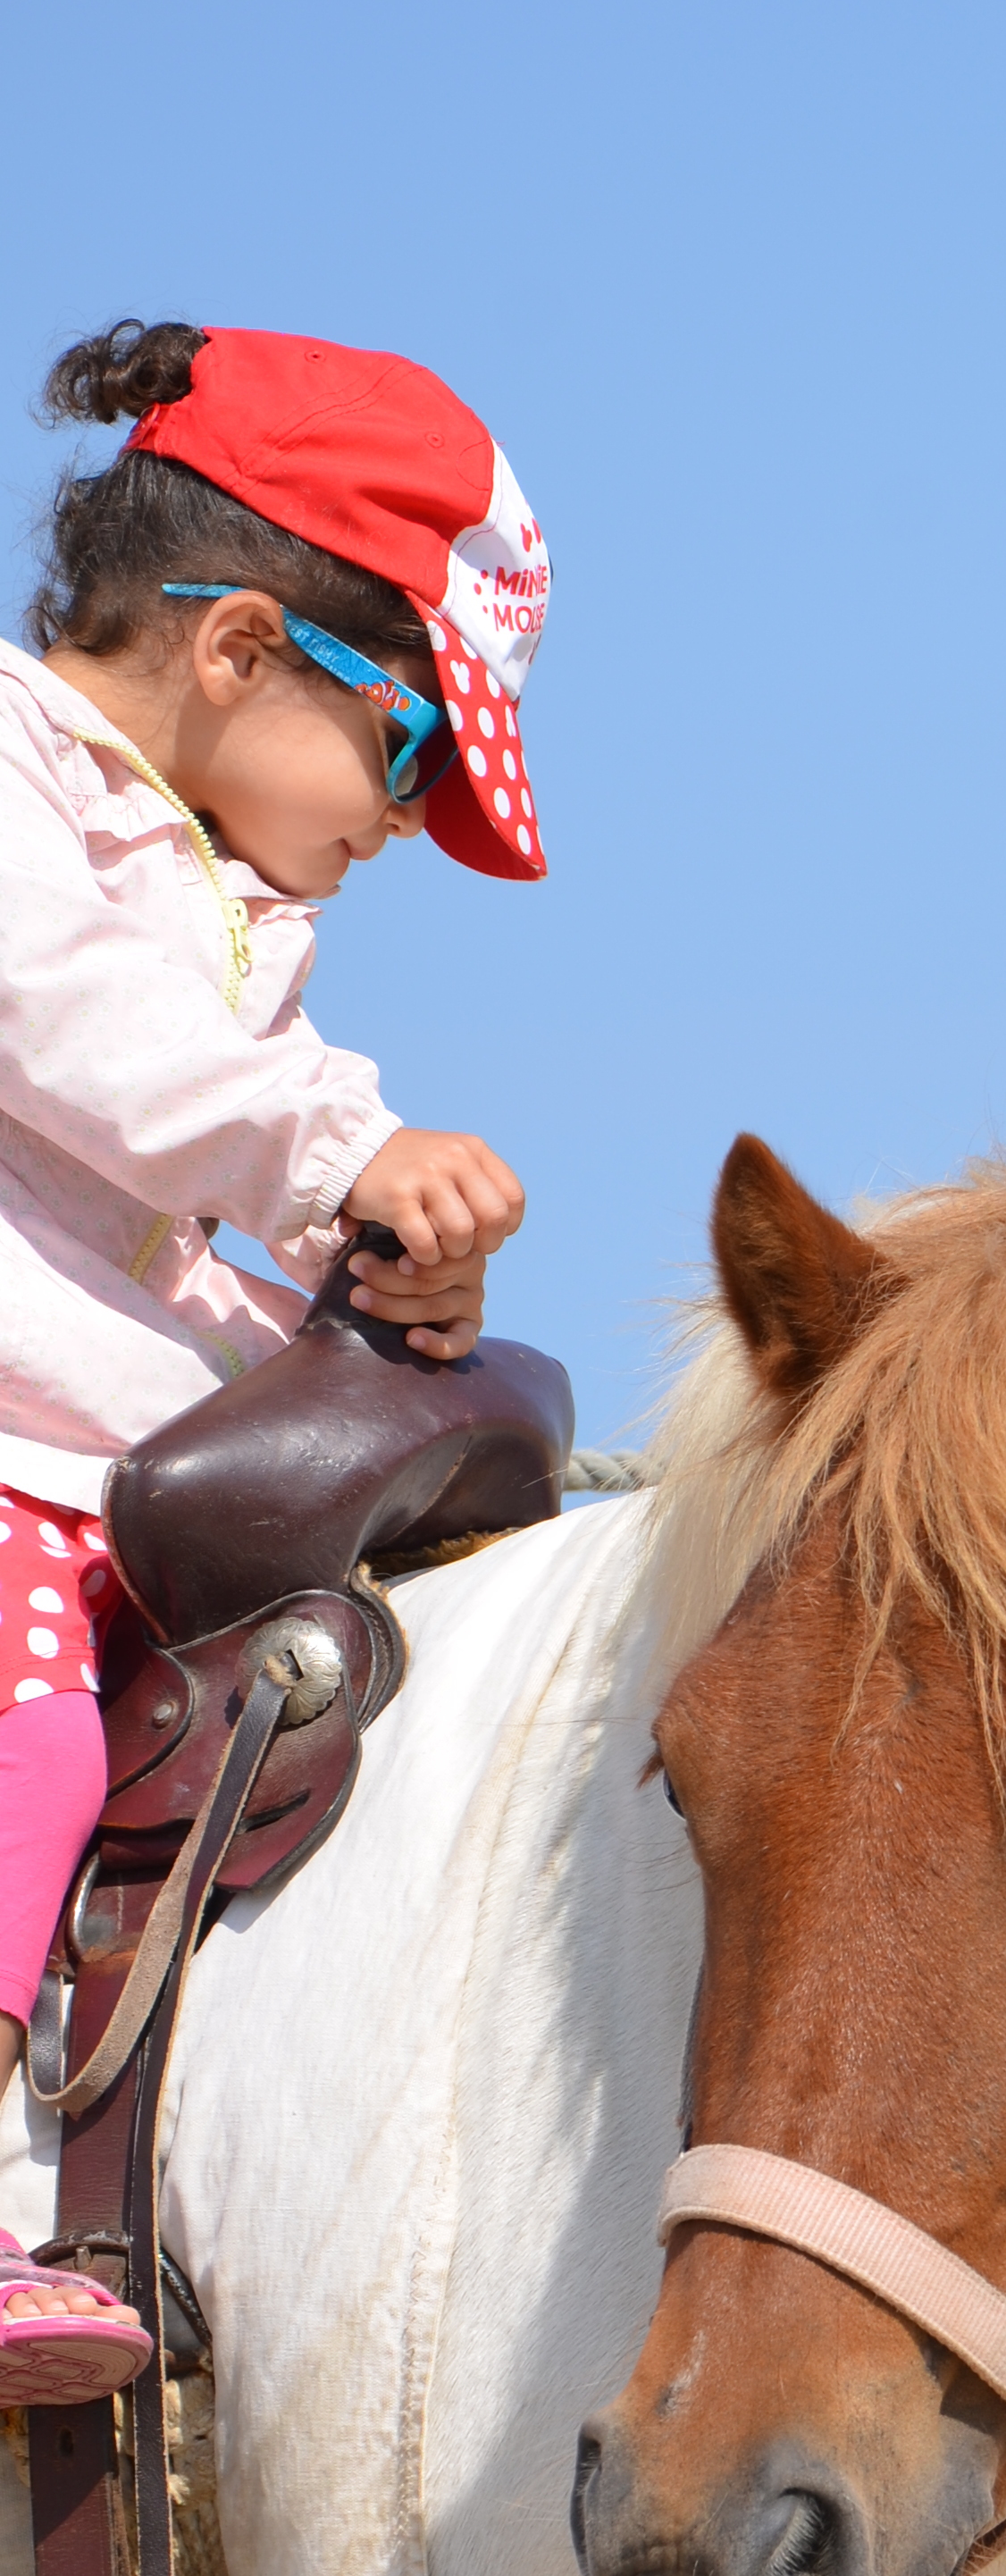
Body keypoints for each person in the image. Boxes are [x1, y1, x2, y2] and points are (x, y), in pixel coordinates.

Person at [0, 319, 551, 2403]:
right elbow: (81, 1044)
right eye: (410, 749)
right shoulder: (19, 808)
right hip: (5, 1463)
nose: (409, 822)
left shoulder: (208, 897)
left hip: (79, 1446)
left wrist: (354, 1304)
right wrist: (339, 1157)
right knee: (31, 1743)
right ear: (239, 649)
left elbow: (153, 1238)